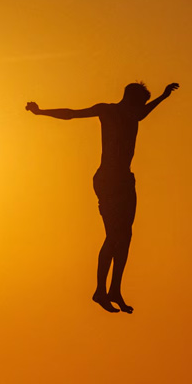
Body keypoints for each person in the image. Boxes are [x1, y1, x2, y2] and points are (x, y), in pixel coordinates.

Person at [26, 81, 180, 313]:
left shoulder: (134, 115)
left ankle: (115, 289)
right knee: (114, 235)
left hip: (126, 180)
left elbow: (144, 113)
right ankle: (100, 290)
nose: (140, 110)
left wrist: (163, 96)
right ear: (130, 99)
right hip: (108, 180)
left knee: (126, 236)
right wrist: (40, 112)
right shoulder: (107, 111)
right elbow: (71, 114)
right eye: (140, 103)